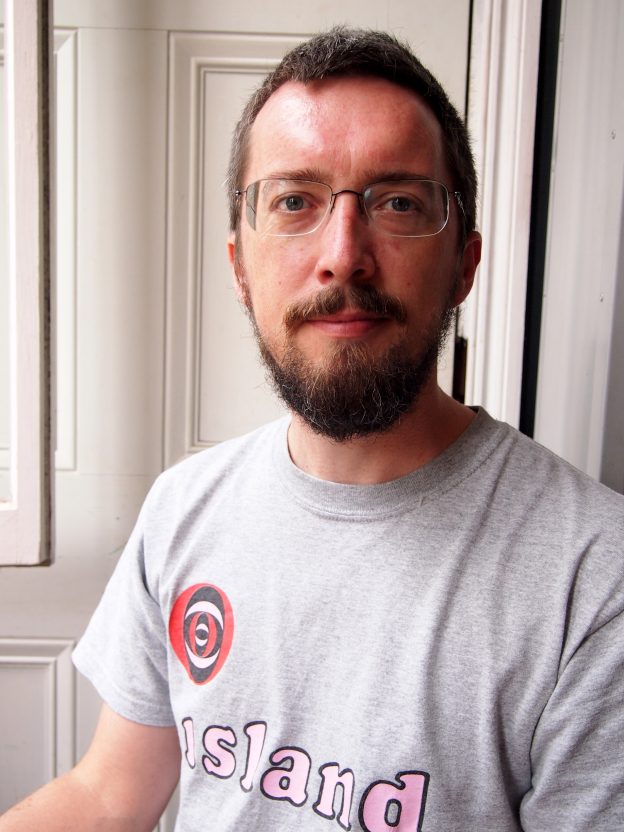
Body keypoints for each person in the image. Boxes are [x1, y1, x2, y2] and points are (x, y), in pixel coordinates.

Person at [1, 26, 623, 832]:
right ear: (238, 265)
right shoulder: (184, 506)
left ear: (465, 263)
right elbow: (109, 793)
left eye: (398, 201)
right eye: (295, 201)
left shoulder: (595, 574)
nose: (343, 255)